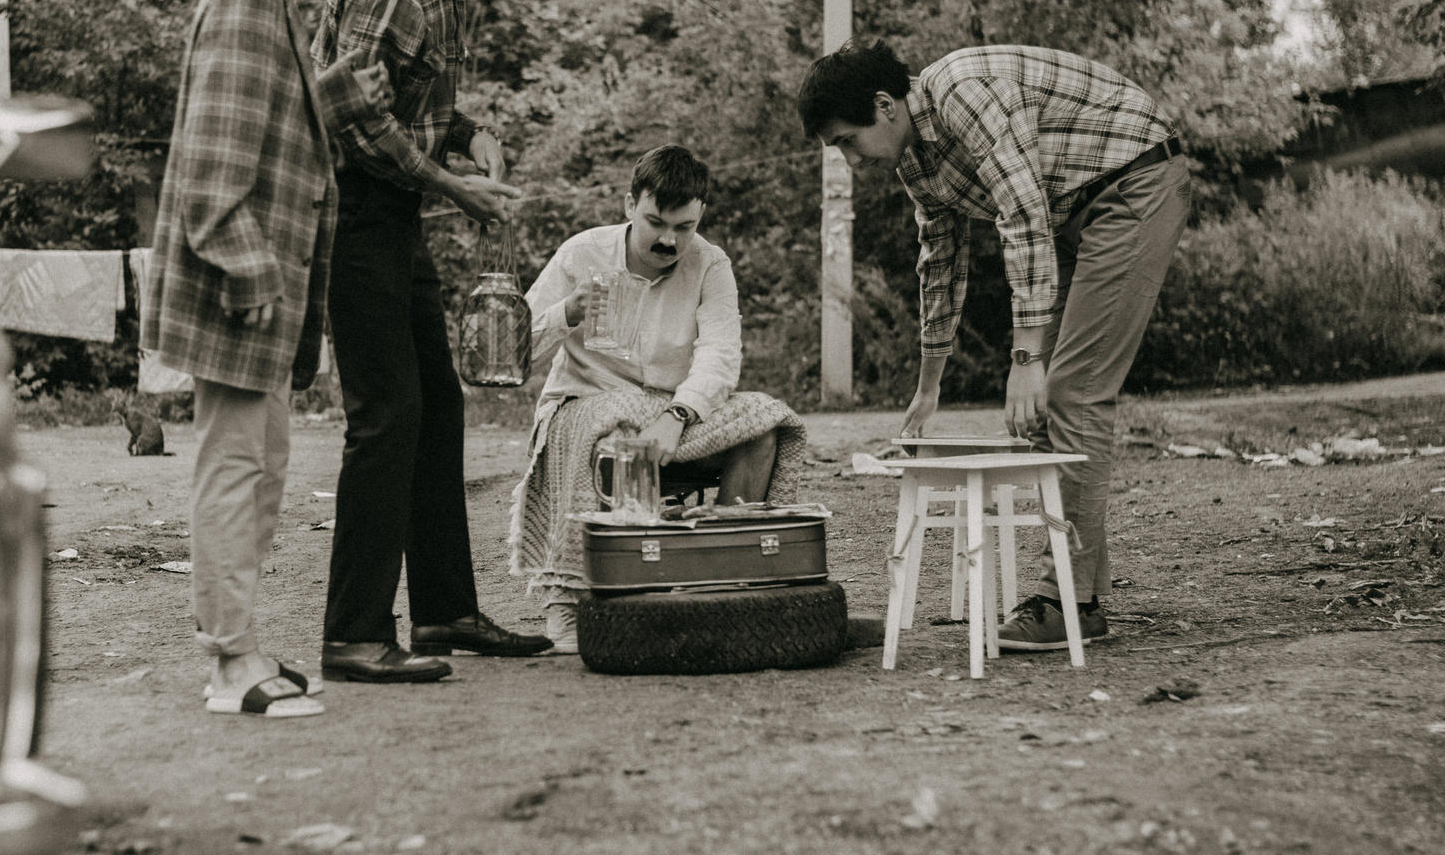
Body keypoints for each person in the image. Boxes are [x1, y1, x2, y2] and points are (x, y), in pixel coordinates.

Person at [800, 41, 1190, 651]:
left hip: (1134, 181)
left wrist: (1027, 358)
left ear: (885, 105)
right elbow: (942, 261)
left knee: (1073, 393)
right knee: (1039, 417)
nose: (850, 160)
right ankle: (1080, 592)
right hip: (1073, 213)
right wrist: (929, 386)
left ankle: (1068, 599)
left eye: (848, 140)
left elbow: (1021, 213)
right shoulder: (916, 162)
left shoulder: (962, 90)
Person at [142, 0, 408, 717]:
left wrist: (331, 94)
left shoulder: (273, 0)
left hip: (260, 286)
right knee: (235, 467)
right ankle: (230, 665)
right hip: (242, 284)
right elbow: (215, 156)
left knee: (261, 468)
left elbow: (269, 119)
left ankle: (243, 646)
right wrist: (247, 266)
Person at [311, 0, 558, 681]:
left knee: (438, 409)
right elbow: (347, 107)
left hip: (401, 214)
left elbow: (416, 105)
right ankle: (353, 632)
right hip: (355, 213)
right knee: (386, 418)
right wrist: (453, 187)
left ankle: (446, 613)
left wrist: (473, 134)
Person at [509, 146, 809, 654]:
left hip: (673, 411)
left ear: (700, 215)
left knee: (764, 422)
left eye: (684, 226)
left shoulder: (711, 264)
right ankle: (570, 599)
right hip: (586, 401)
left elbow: (720, 355)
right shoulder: (582, 253)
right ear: (629, 205)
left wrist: (678, 414)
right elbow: (515, 357)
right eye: (656, 222)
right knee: (613, 427)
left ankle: (725, 581)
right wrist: (567, 312)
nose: (670, 239)